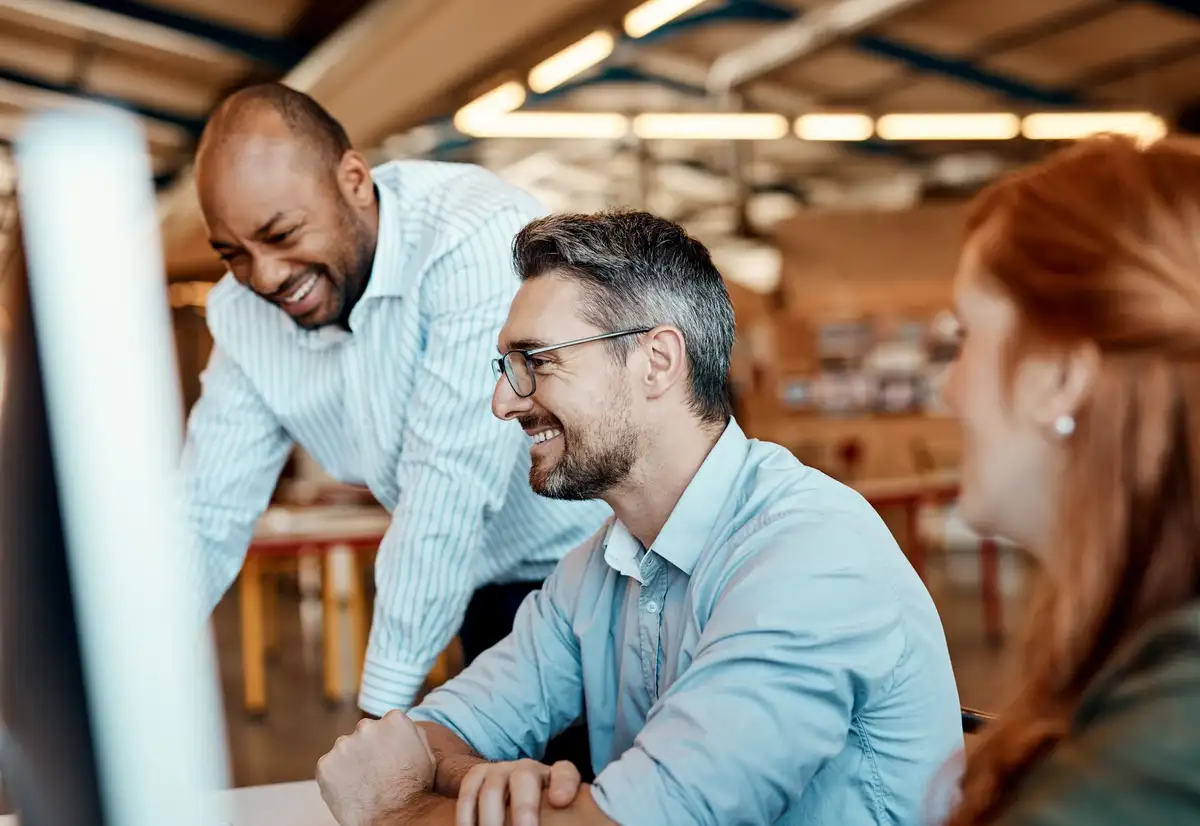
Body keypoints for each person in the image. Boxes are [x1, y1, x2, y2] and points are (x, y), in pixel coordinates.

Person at [315, 211, 963, 826]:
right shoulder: (599, 569)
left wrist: (395, 808)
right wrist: (475, 778)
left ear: (656, 361)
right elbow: (434, 737)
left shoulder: (808, 557)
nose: (502, 403)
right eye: (506, 367)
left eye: (535, 362)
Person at [184, 83, 610, 717]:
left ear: (354, 179)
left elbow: (446, 489)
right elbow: (203, 512)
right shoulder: (245, 312)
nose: (265, 276)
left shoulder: (469, 237)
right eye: (234, 255)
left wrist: (377, 716)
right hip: (484, 585)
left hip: (601, 574)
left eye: (283, 234)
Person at [938, 134, 1200, 825]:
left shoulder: (1164, 736)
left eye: (966, 337)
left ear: (1060, 377)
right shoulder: (1148, 660)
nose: (949, 391)